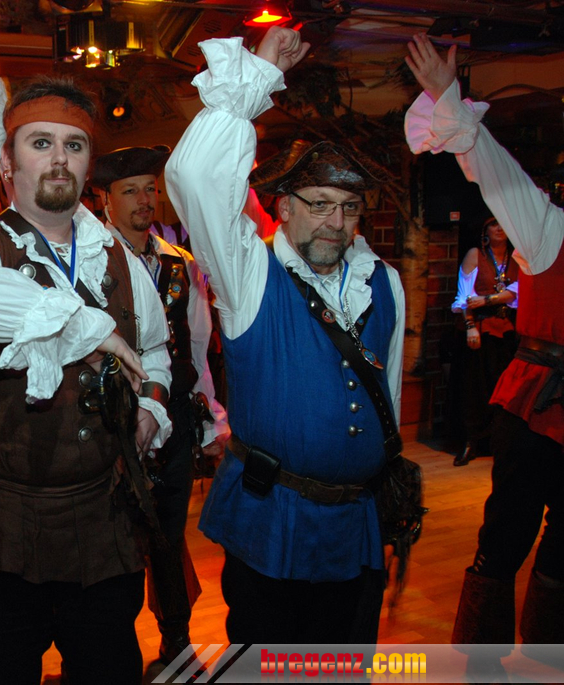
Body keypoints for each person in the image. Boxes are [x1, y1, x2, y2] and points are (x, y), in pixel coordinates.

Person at [0, 40, 172, 684]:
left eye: (73, 145)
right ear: (7, 159)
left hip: (100, 513)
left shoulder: (118, 258)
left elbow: (155, 349)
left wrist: (152, 406)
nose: (58, 158)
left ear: (88, 163)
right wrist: (83, 327)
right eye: (40, 143)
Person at [165, 26, 405, 644]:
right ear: (284, 206)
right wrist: (258, 76)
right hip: (272, 515)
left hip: (356, 520)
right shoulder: (249, 276)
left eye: (349, 207)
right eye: (319, 203)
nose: (335, 222)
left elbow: (390, 394)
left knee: (344, 664)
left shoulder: (382, 282)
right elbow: (195, 177)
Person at [405, 33, 564, 659]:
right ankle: (479, 658)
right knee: (507, 531)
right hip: (537, 406)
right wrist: (448, 97)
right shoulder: (548, 228)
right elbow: (500, 178)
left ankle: (547, 653)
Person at [90, 146, 229, 670]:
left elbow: (198, 346)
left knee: (169, 536)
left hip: (175, 421)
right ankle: (110, 657)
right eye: (131, 190)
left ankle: (177, 645)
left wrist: (211, 419)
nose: (145, 200)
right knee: (115, 543)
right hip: (108, 422)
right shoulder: (90, 259)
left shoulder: (179, 263)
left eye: (150, 189)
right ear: (106, 200)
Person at [449, 216, 519, 466]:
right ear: (485, 230)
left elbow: (517, 293)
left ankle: (497, 442)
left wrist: (489, 299)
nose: (499, 228)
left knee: (500, 387)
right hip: (479, 328)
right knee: (474, 387)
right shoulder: (475, 255)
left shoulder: (517, 258)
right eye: (493, 224)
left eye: (502, 223)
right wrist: (470, 326)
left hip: (506, 329)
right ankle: (471, 441)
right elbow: (465, 296)